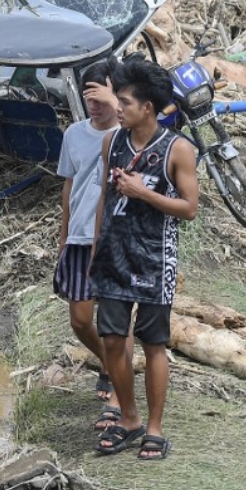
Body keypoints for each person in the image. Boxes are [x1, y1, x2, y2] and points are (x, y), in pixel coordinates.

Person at [89, 60, 199, 461]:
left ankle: (154, 428)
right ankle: (129, 418)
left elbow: (189, 208)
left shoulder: (178, 149)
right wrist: (95, 248)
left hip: (154, 259)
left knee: (153, 343)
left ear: (147, 107)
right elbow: (105, 197)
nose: (117, 108)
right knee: (112, 339)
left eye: (124, 102)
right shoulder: (112, 143)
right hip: (113, 256)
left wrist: (144, 193)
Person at [54, 60, 129, 431]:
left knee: (117, 323)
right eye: (89, 99)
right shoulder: (74, 134)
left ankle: (119, 395)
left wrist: (116, 102)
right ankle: (111, 364)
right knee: (81, 320)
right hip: (80, 236)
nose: (94, 106)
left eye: (100, 98)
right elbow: (69, 187)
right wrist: (64, 236)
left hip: (116, 239)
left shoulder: (128, 134)